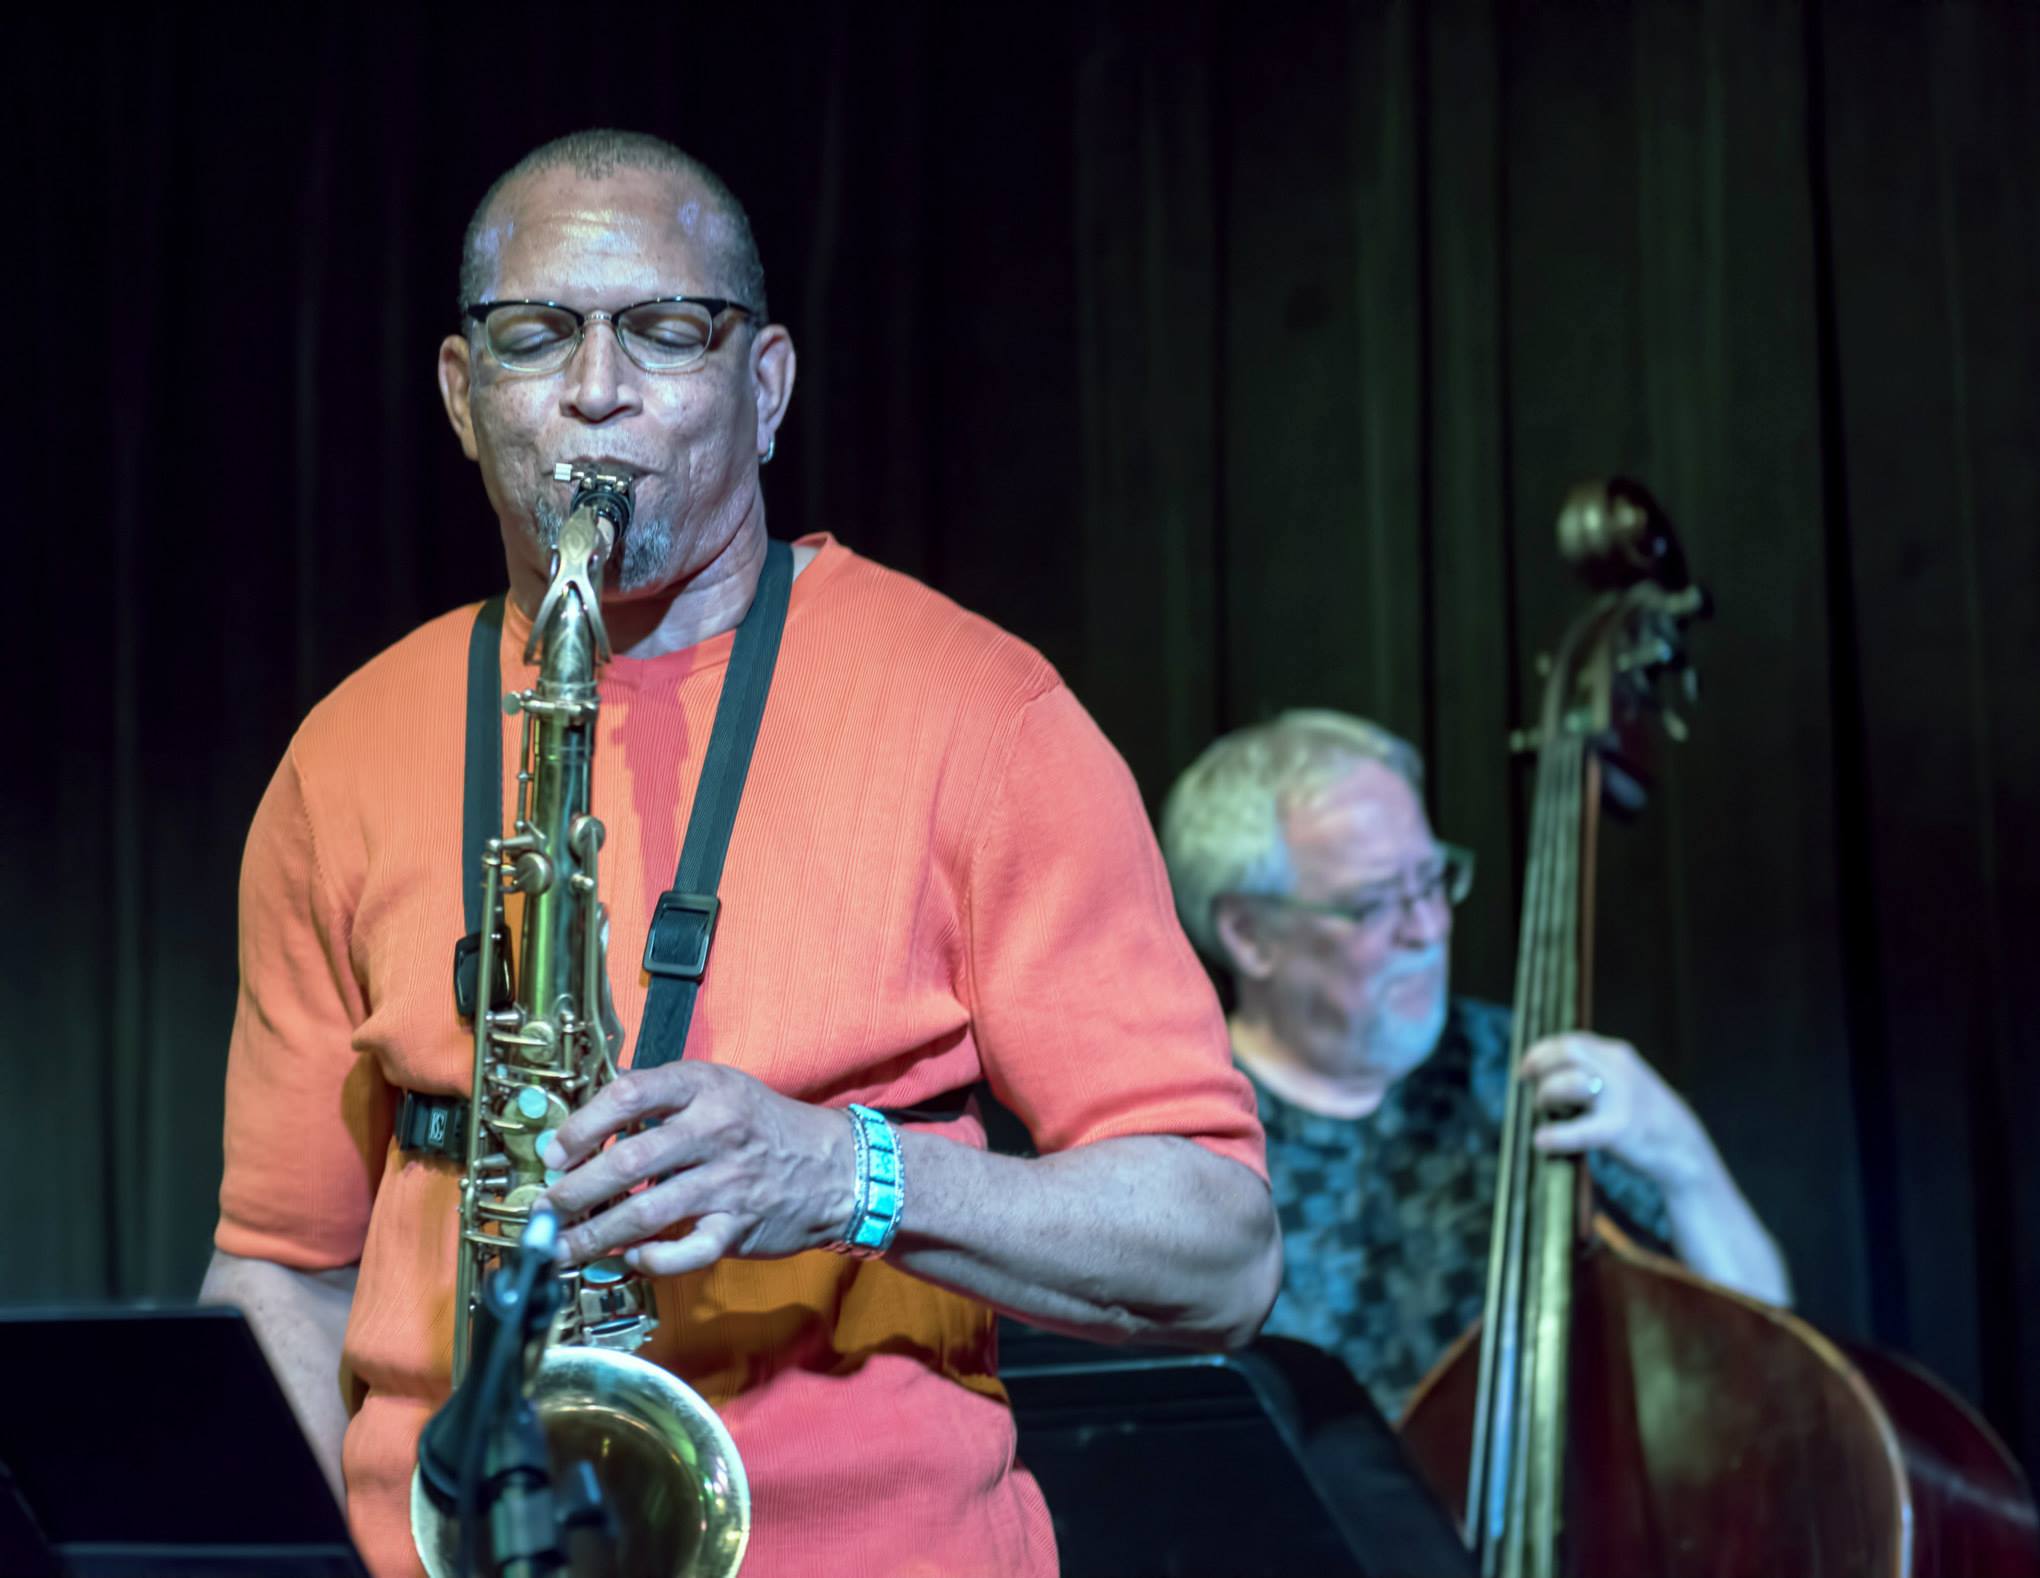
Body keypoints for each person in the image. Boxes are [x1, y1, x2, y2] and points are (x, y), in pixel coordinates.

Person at [199, 129, 1279, 1578]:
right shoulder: (342, 754)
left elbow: (1221, 1252)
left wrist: (852, 1175)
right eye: (535, 338)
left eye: (663, 331)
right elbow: (277, 1268)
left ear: (763, 386)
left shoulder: (988, 714)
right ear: (464, 398)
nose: (595, 391)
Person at [1159, 709, 1789, 1420]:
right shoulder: (1180, 1133)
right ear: (1248, 934)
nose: (1428, 929)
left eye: (1432, 881)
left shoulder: (1528, 1072)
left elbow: (1770, 1354)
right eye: (1372, 905)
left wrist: (1684, 1160)